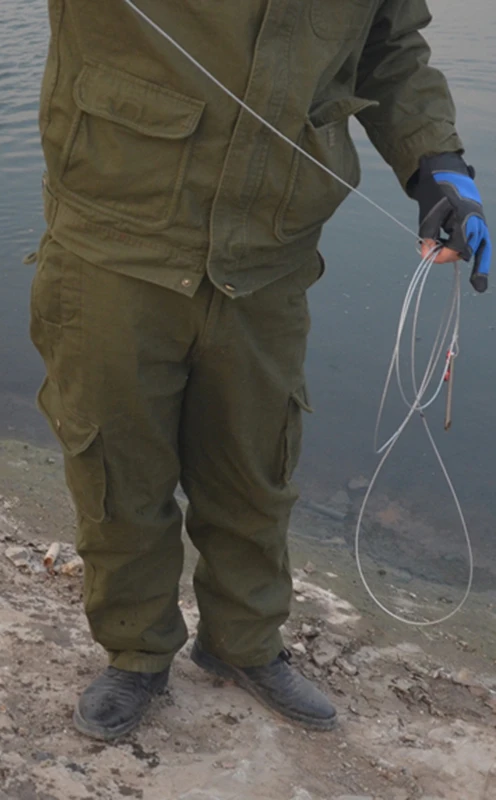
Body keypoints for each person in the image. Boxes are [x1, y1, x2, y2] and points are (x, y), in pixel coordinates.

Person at [27, 0, 491, 741]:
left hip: (270, 250)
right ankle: (137, 652)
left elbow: (391, 43)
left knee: (254, 463)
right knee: (117, 464)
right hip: (117, 233)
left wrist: (435, 163)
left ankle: (243, 644)